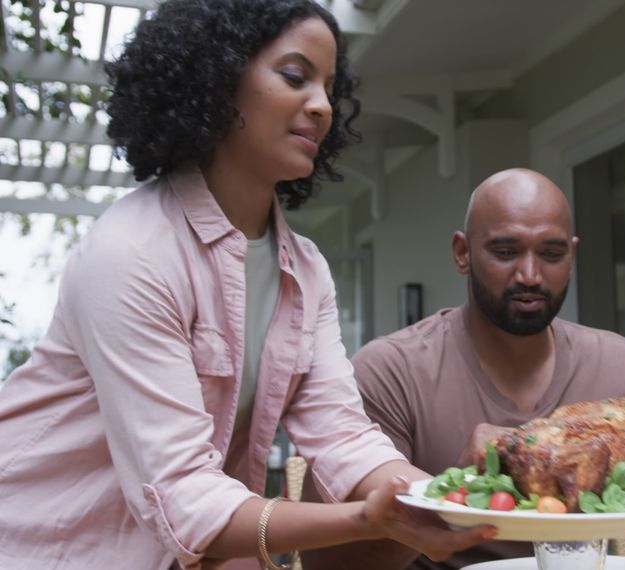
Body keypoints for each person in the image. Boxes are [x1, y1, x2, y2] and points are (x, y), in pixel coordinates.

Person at [0, 1, 492, 568]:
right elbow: (185, 498)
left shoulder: (305, 271)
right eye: (295, 76)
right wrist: (364, 520)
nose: (322, 107)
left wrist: (445, 497)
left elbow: (341, 434)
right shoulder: (130, 253)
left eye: (330, 88)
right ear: (218, 78)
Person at [305, 168, 625, 569]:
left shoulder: (617, 362)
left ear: (571, 256)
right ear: (463, 253)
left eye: (550, 254)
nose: (530, 275)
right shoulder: (390, 371)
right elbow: (328, 563)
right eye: (506, 251)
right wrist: (449, 493)